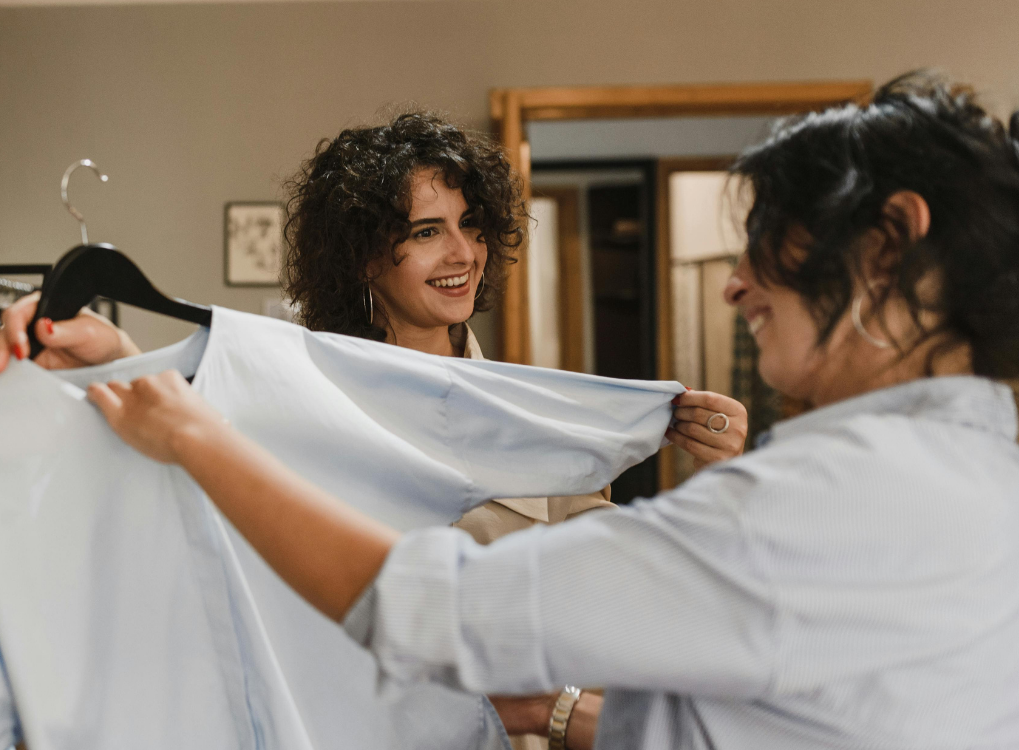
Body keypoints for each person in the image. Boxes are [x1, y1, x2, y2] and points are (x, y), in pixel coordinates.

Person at [80, 72, 1019, 749]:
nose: (735, 286)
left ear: (888, 244)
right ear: (369, 257)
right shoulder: (983, 475)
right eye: (422, 232)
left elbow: (440, 611)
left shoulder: (807, 501)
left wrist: (194, 439)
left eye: (768, 243)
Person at [0, 112, 748, 747]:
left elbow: (620, 607)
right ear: (367, 258)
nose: (463, 253)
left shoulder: (533, 422)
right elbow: (208, 475)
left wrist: (719, 478)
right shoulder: (295, 394)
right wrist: (116, 359)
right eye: (425, 231)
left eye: (471, 225)